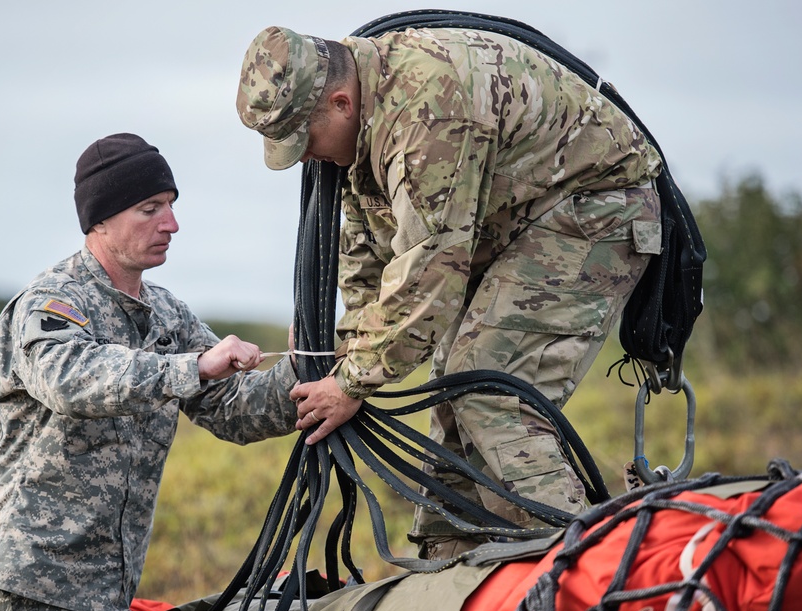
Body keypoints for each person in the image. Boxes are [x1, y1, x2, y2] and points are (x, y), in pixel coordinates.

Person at [236, 25, 663, 560]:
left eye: (307, 141)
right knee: (454, 385)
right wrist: (344, 343)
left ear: (341, 103)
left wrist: (349, 383)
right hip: (512, 219)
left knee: (489, 386)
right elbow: (368, 246)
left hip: (595, 205)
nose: (307, 160)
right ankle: (452, 568)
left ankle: (585, 571)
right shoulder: (364, 109)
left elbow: (430, 273)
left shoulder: (427, 111)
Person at [0, 133, 299, 611]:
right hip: (36, 583)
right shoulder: (52, 304)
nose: (171, 225)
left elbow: (235, 410)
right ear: (100, 220)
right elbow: (72, 380)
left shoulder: (167, 314)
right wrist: (191, 366)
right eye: (150, 209)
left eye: (170, 207)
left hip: (107, 590)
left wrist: (304, 373)